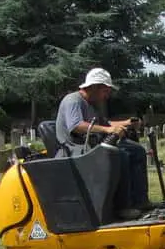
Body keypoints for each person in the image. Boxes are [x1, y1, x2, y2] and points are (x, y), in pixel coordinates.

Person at [55, 67, 149, 210]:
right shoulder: (73, 100)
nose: (107, 95)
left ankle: (140, 201)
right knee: (120, 155)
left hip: (90, 148)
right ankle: (123, 207)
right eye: (105, 91)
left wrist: (127, 123)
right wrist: (108, 130)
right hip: (75, 150)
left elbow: (106, 124)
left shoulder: (92, 105)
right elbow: (76, 125)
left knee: (137, 150)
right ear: (94, 87)